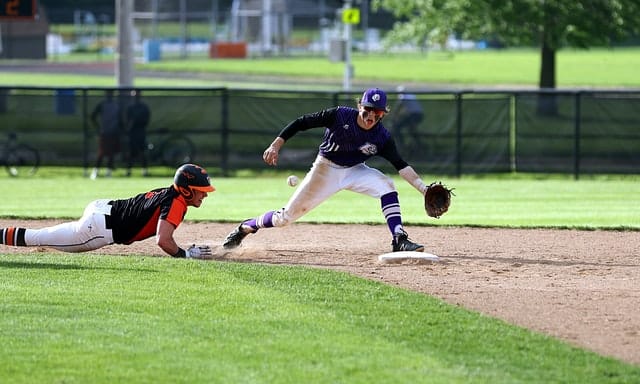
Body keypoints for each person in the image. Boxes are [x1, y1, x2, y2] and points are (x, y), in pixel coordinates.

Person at [223, 87, 431, 253]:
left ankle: (399, 238)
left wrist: (424, 189)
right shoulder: (340, 116)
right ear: (359, 106)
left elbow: (401, 165)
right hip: (325, 169)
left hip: (355, 170)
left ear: (382, 115)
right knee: (284, 218)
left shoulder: (382, 137)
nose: (370, 116)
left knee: (387, 185)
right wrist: (276, 145)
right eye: (367, 109)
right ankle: (246, 227)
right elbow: (301, 122)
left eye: (376, 113)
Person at [0, 164, 215, 259]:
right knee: (39, 237)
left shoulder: (167, 193)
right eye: (201, 191)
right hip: (98, 228)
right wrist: (185, 255)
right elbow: (163, 240)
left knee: (45, 235)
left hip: (102, 208)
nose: (205, 195)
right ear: (186, 190)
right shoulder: (177, 202)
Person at [90, 89, 122, 179]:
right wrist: (98, 127)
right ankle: (95, 171)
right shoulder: (102, 105)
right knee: (101, 153)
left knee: (111, 154)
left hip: (114, 132)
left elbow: (120, 120)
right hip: (104, 132)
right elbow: (93, 116)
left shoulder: (116, 106)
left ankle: (108, 172)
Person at [389, 86, 425, 151]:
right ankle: (417, 144)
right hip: (419, 115)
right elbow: (409, 109)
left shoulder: (403, 96)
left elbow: (398, 108)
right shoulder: (410, 95)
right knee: (411, 129)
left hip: (414, 115)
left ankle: (403, 146)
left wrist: (393, 117)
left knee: (397, 127)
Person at [125, 89, 151, 177]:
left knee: (142, 152)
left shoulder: (144, 107)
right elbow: (128, 120)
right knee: (130, 152)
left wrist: (137, 122)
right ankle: (128, 171)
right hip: (132, 133)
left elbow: (146, 120)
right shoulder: (130, 107)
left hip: (140, 132)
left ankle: (144, 171)